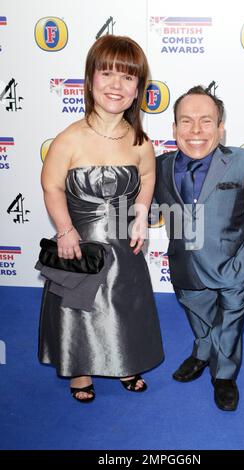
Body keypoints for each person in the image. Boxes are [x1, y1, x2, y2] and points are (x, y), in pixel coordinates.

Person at [38, 35, 164, 402]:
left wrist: (140, 212)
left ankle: (124, 358)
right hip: (80, 241)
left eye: (127, 77)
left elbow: (149, 177)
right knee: (78, 306)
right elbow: (51, 188)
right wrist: (65, 231)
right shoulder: (70, 139)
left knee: (125, 301)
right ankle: (79, 368)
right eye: (106, 73)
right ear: (90, 79)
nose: (115, 85)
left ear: (138, 89)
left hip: (123, 240)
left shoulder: (140, 140)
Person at [154, 85, 244, 411]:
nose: (196, 130)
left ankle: (223, 375)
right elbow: (144, 210)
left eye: (206, 121)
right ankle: (200, 353)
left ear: (221, 127)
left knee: (230, 325)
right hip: (185, 266)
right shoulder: (159, 167)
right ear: (174, 128)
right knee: (199, 319)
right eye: (186, 121)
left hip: (235, 265)